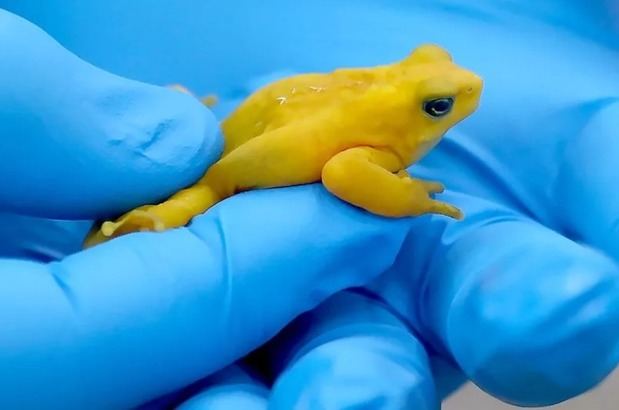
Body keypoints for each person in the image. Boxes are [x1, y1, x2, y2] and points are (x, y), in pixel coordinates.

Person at [1, 1, 618, 409]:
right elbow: (347, 172)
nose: (468, 88)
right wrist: (406, 195)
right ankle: (144, 222)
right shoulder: (377, 144)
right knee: (180, 204)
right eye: (438, 106)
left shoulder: (381, 112)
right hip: (223, 177)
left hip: (231, 123)